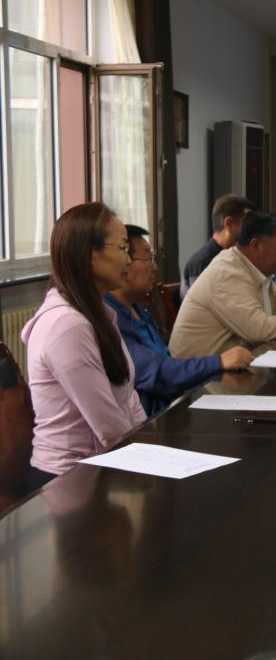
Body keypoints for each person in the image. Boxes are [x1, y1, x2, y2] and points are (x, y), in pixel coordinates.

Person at [21, 203, 147, 489]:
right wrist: (150, 459)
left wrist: (150, 440)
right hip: (66, 479)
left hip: (103, 463)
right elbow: (108, 425)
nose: (129, 260)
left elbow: (128, 397)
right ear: (90, 253)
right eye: (123, 248)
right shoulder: (67, 326)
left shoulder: (98, 313)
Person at [105, 225, 254, 416]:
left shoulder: (137, 309)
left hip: (170, 408)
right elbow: (157, 374)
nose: (154, 267)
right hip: (147, 423)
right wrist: (219, 361)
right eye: (147, 258)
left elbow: (165, 360)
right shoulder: (108, 318)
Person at [170, 210, 276, 358]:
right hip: (201, 375)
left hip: (233, 365)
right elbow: (259, 329)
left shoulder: (251, 269)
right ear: (256, 246)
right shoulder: (227, 273)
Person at [180, 194, 254, 297]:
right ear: (229, 224)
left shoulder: (238, 256)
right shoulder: (202, 262)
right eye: (248, 224)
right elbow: (203, 303)